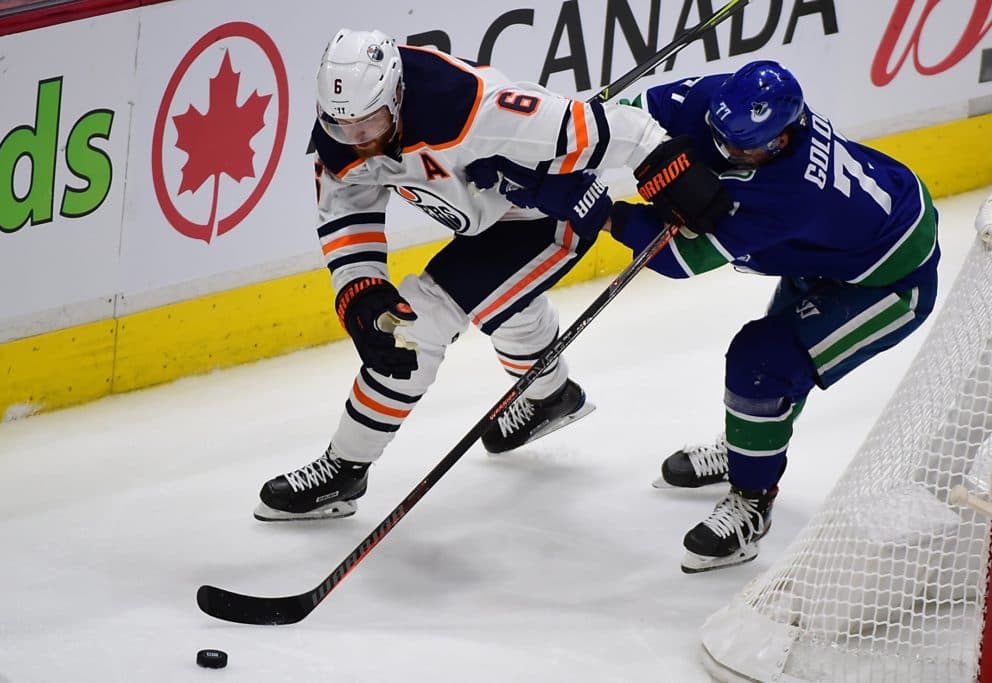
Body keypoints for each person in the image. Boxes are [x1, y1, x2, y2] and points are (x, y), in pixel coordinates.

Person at [479, 60, 940, 573]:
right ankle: (748, 447)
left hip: (887, 282)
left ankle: (753, 501)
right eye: (721, 137)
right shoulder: (716, 101)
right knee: (773, 371)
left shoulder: (792, 192)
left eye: (742, 148)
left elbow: (680, 258)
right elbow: (621, 119)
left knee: (763, 364)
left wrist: (593, 208)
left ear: (784, 137)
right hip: (830, 252)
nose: (726, 151)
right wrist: (548, 153)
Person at [254, 28, 728, 521]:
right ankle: (551, 397)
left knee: (414, 330)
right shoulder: (345, 125)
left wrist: (673, 169)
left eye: (369, 124)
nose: (359, 140)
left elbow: (624, 129)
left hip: (550, 214)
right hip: (494, 220)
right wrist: (359, 286)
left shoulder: (476, 111)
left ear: (396, 96)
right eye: (343, 127)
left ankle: (344, 470)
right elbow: (346, 211)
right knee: (506, 301)